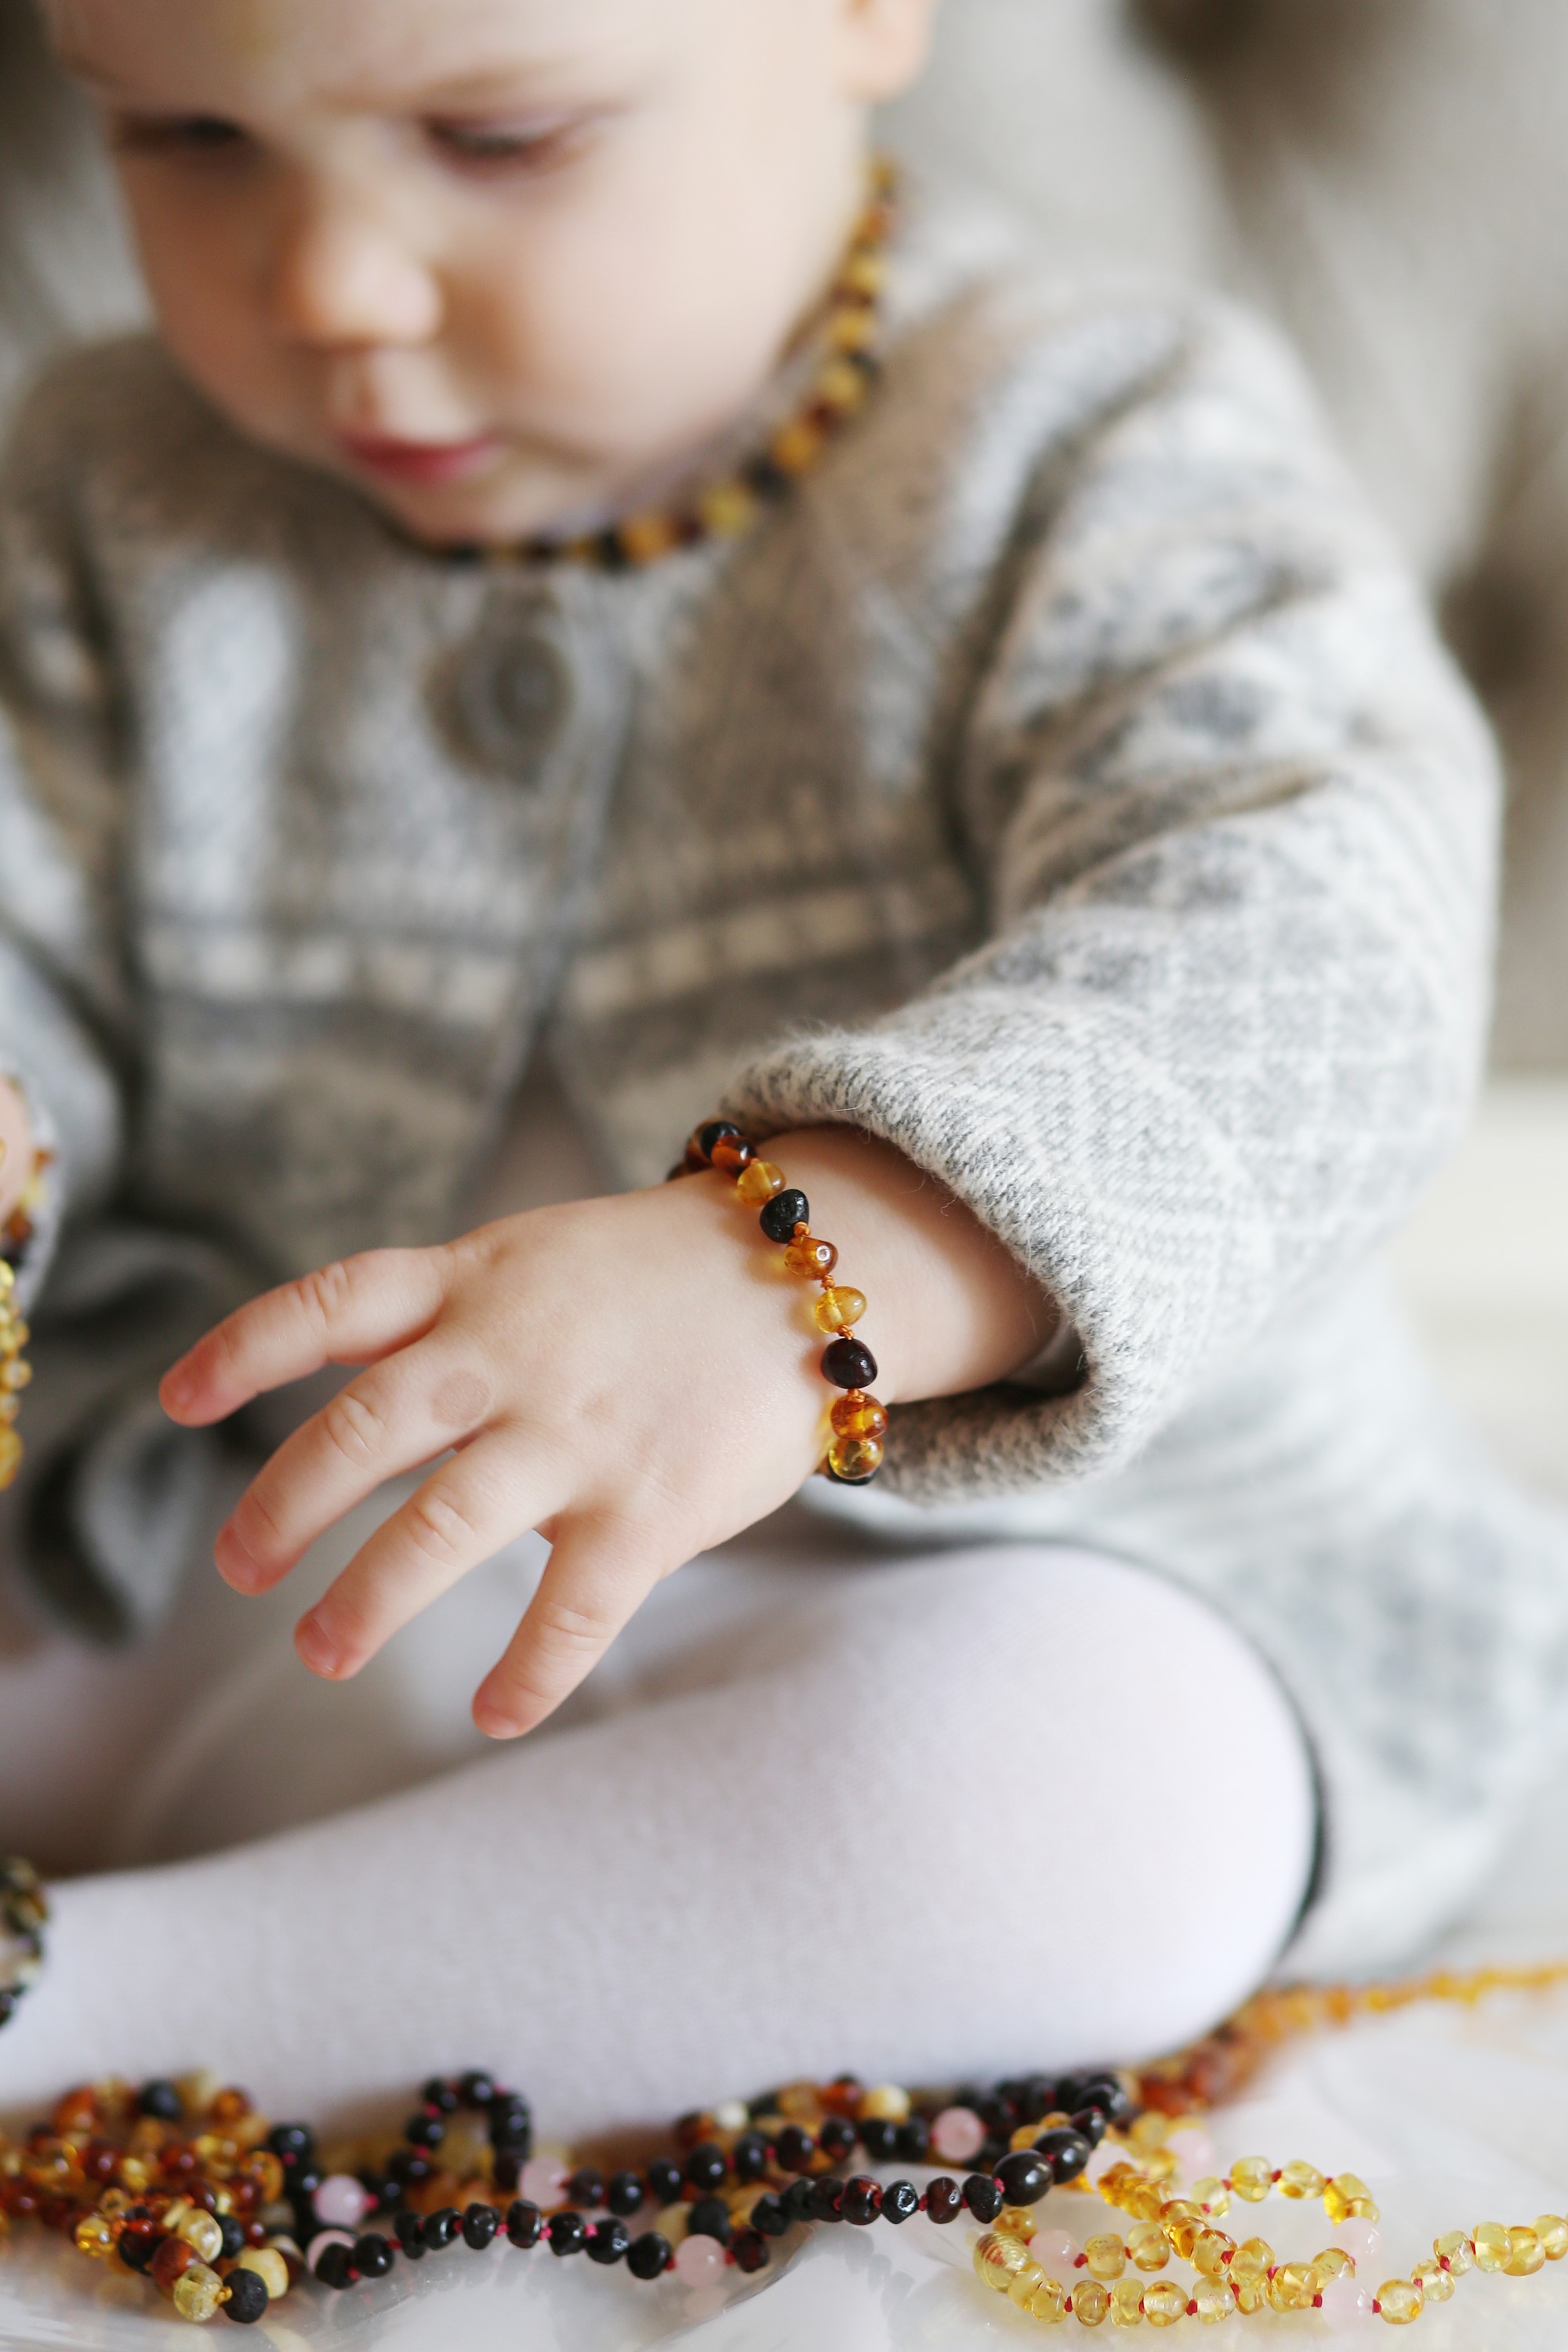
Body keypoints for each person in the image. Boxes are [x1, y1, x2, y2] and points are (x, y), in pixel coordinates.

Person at [0, 0, 1559, 2140]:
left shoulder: (1088, 432)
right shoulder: (107, 482)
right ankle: (324, 1886)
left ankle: (87, 2017)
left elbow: (1316, 918)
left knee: (1098, 1806)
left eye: (502, 134)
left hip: (1011, 1580)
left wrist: (806, 1271)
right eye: (181, 135)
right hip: (280, 1557)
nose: (327, 285)